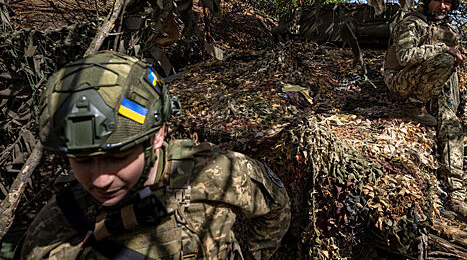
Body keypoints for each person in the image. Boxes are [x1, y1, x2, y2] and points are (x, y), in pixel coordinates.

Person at [19, 51, 291, 259]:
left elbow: (276, 208)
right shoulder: (55, 230)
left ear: (157, 135)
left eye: (117, 157)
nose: (100, 180)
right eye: (82, 160)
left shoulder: (218, 172)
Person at [382, 0, 467, 228]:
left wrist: (453, 106)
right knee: (445, 59)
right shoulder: (412, 22)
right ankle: (414, 105)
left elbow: (450, 72)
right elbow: (405, 56)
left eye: (447, 3)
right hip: (402, 82)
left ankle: (456, 197)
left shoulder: (449, 31)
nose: (442, 6)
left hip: (433, 89)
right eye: (437, 0)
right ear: (428, 0)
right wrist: (442, 49)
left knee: (451, 126)